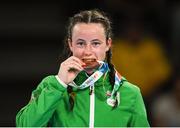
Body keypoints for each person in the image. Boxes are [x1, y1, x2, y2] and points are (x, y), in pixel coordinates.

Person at [16, 9, 149, 127]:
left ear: (108, 44)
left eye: (95, 43)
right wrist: (60, 83)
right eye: (80, 43)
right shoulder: (51, 86)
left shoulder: (129, 93)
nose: (87, 51)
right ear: (70, 44)